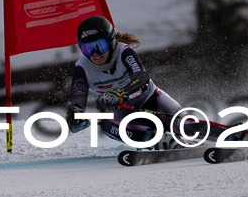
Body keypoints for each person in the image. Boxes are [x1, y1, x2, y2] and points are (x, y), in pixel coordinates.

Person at [65, 15, 187, 148]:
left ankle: (192, 132)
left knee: (185, 125)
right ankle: (155, 141)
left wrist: (122, 93)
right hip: (123, 114)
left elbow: (141, 76)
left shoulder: (124, 52)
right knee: (106, 125)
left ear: (111, 42)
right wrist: (74, 116)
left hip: (151, 100)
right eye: (87, 49)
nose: (95, 54)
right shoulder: (82, 67)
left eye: (99, 46)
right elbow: (78, 98)